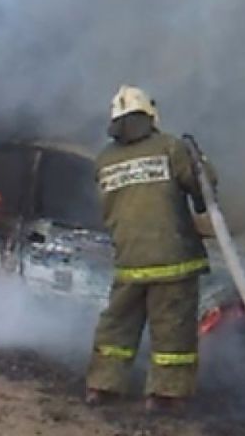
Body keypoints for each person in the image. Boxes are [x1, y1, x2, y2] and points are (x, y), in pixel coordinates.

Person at [85, 84, 217, 413]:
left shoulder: (103, 160)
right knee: (172, 328)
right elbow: (203, 187)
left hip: (129, 258)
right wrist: (199, 160)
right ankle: (165, 396)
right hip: (173, 259)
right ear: (149, 115)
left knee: (117, 325)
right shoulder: (171, 147)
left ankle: (102, 387)